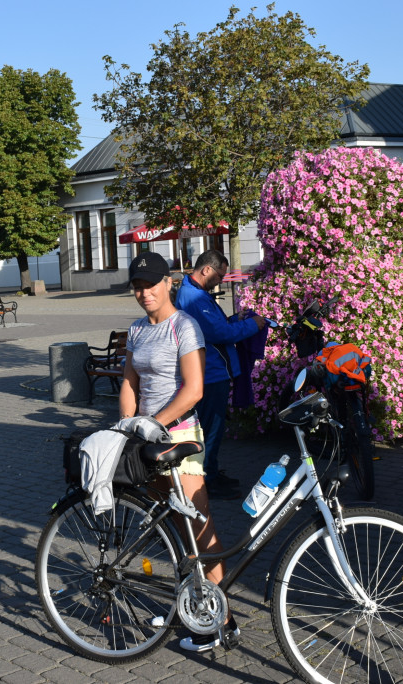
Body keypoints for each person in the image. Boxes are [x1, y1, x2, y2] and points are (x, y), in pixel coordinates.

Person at [120, 251, 238, 653]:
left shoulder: (184, 327)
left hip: (179, 439)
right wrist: (127, 425)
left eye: (151, 284)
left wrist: (157, 422)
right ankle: (189, 606)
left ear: (168, 282)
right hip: (147, 442)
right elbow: (130, 384)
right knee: (173, 529)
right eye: (137, 286)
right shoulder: (137, 330)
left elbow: (194, 389)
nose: (144, 293)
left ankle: (221, 620)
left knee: (200, 530)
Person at [175, 249, 265, 499]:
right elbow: (219, 334)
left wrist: (237, 318)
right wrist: (251, 325)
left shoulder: (196, 293)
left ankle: (210, 472)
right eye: (220, 275)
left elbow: (217, 326)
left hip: (212, 371)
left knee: (211, 428)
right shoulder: (193, 297)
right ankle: (205, 482)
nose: (221, 280)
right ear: (206, 270)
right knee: (209, 429)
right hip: (210, 374)